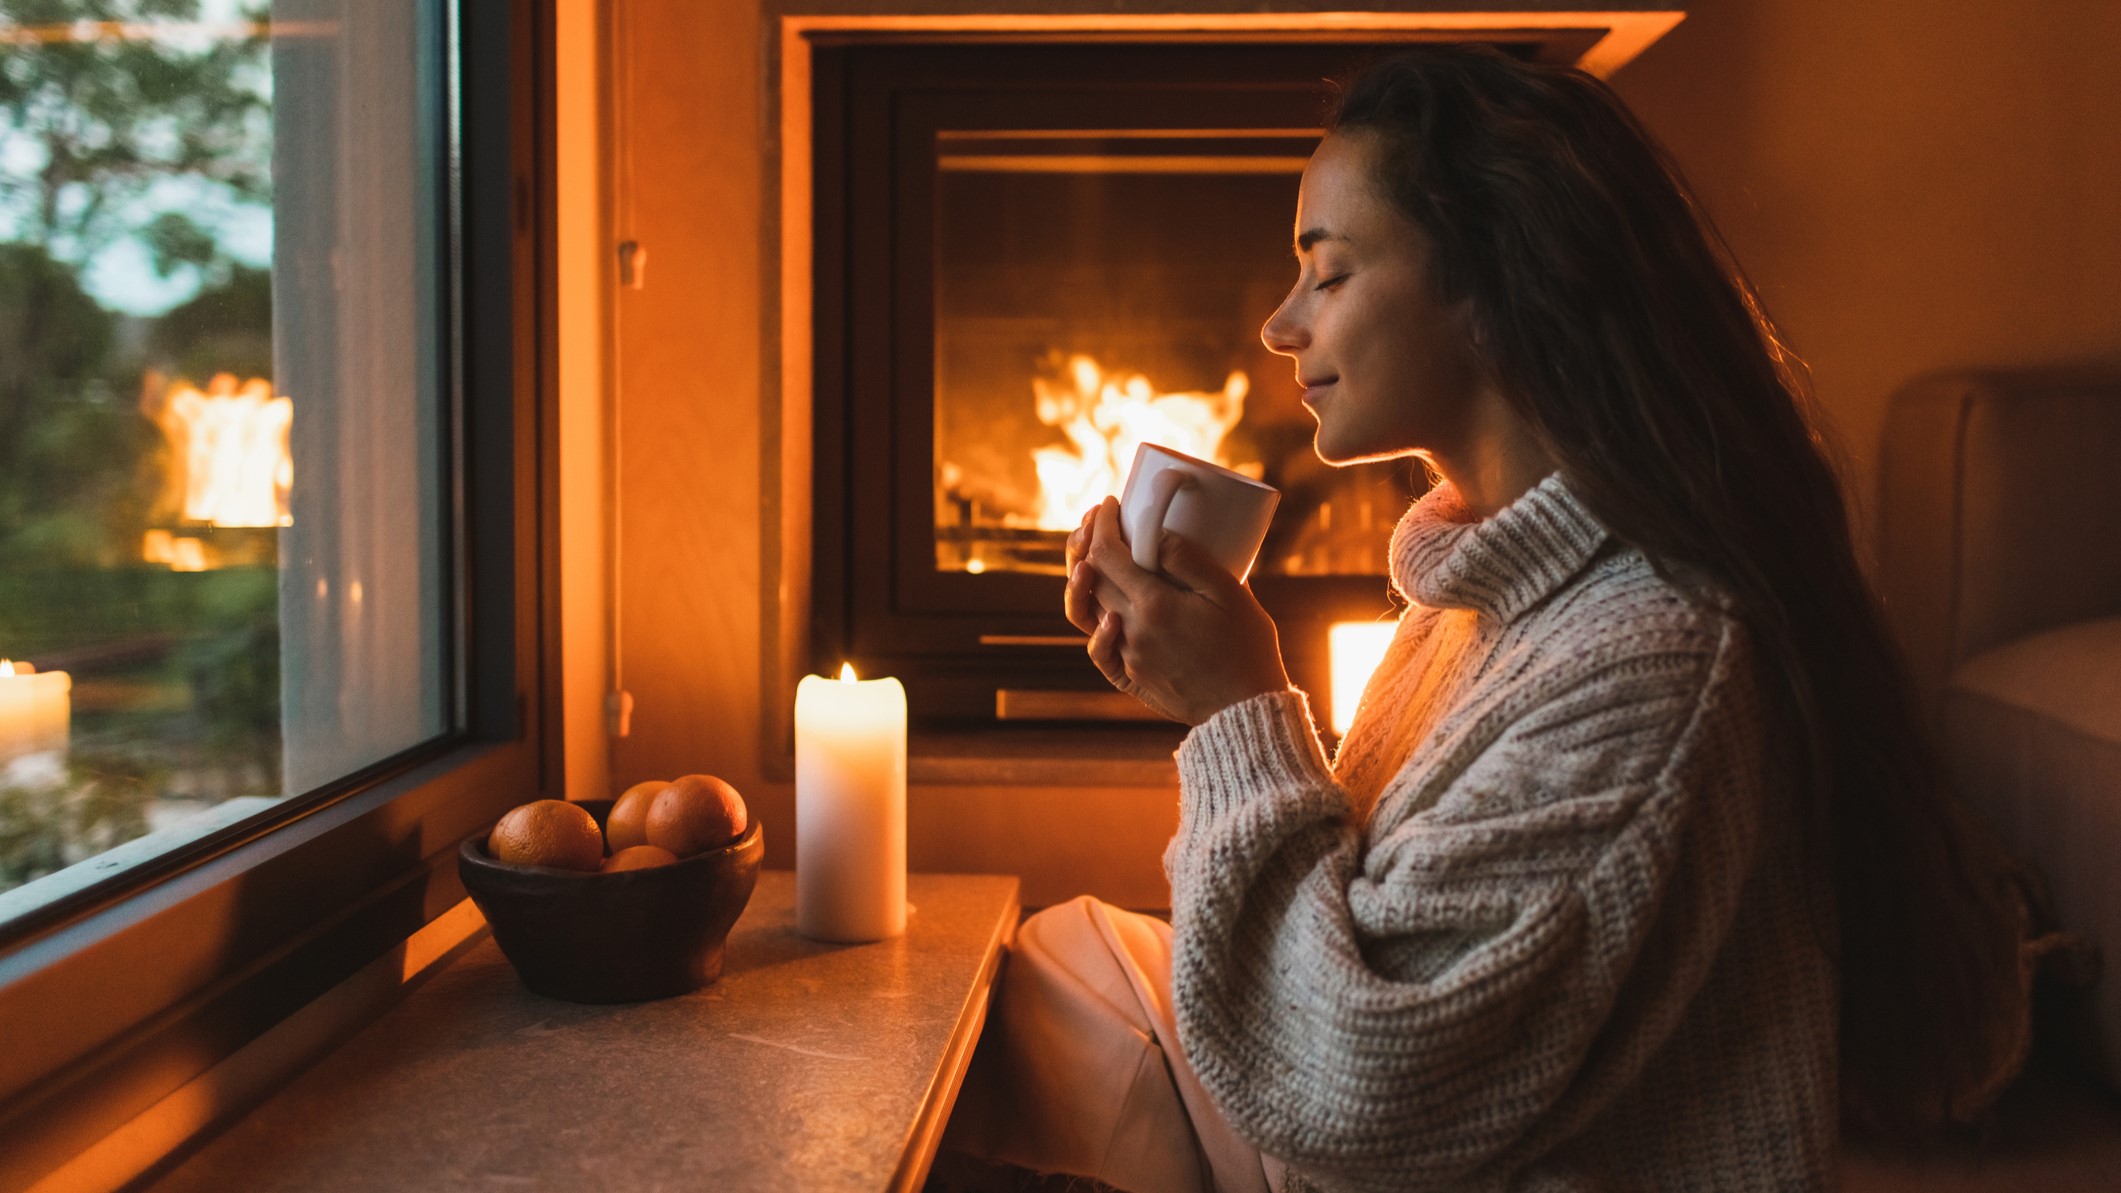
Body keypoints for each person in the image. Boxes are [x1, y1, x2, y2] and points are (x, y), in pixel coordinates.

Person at [938, 45, 2033, 1192]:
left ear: (1493, 283)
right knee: (1017, 991)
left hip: (1393, 1142)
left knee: (1025, 1037)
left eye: (1331, 272)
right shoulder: (1491, 602)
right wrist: (1224, 695)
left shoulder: (1659, 656)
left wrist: (1237, 709)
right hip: (1364, 1123)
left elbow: (1357, 1086)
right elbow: (1374, 932)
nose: (1279, 325)